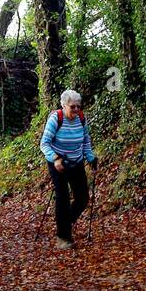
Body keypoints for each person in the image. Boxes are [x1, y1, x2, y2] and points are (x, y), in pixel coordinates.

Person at [39, 89, 98, 249]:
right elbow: (44, 144)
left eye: (78, 106)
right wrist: (56, 158)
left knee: (83, 198)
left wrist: (90, 157)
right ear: (63, 105)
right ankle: (63, 237)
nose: (76, 110)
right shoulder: (55, 119)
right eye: (73, 107)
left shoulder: (81, 118)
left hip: (77, 161)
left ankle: (65, 223)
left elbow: (86, 140)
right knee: (63, 198)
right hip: (58, 163)